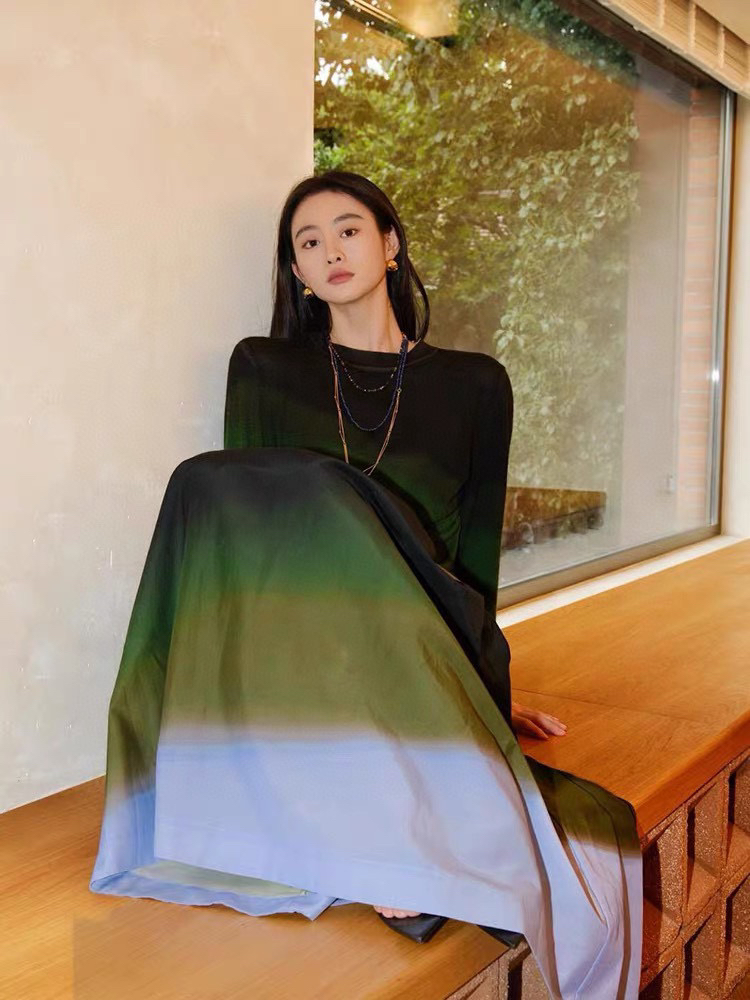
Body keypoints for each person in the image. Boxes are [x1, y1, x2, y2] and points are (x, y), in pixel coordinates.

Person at [90, 170, 642, 999]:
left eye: (348, 230)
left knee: (323, 500)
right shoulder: (263, 368)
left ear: (389, 245)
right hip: (305, 643)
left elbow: (475, 558)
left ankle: (389, 833)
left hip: (423, 630)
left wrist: (480, 684)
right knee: (212, 481)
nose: (331, 251)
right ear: (298, 274)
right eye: (308, 242)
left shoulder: (476, 383)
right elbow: (250, 548)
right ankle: (381, 833)